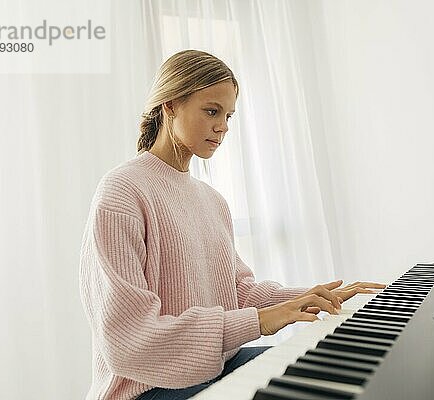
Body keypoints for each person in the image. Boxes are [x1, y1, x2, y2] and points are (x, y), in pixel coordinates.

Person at [79, 49, 385, 400]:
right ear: (170, 105)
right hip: (146, 388)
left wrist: (310, 296)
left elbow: (236, 292)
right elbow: (129, 339)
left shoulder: (212, 200)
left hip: (218, 365)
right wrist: (260, 320)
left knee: (329, 372)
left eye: (228, 115)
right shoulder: (123, 191)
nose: (223, 126)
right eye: (212, 111)